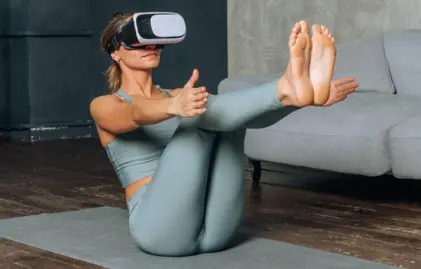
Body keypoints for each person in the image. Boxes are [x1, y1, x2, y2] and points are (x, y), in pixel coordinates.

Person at [90, 12, 358, 257]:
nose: (151, 47)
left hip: (216, 230)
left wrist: (303, 101)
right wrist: (173, 106)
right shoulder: (106, 104)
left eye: (155, 41)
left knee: (227, 119)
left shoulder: (182, 97)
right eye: (138, 42)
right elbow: (135, 114)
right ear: (115, 53)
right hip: (159, 230)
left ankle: (289, 94)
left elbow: (240, 115)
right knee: (199, 116)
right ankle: (284, 88)